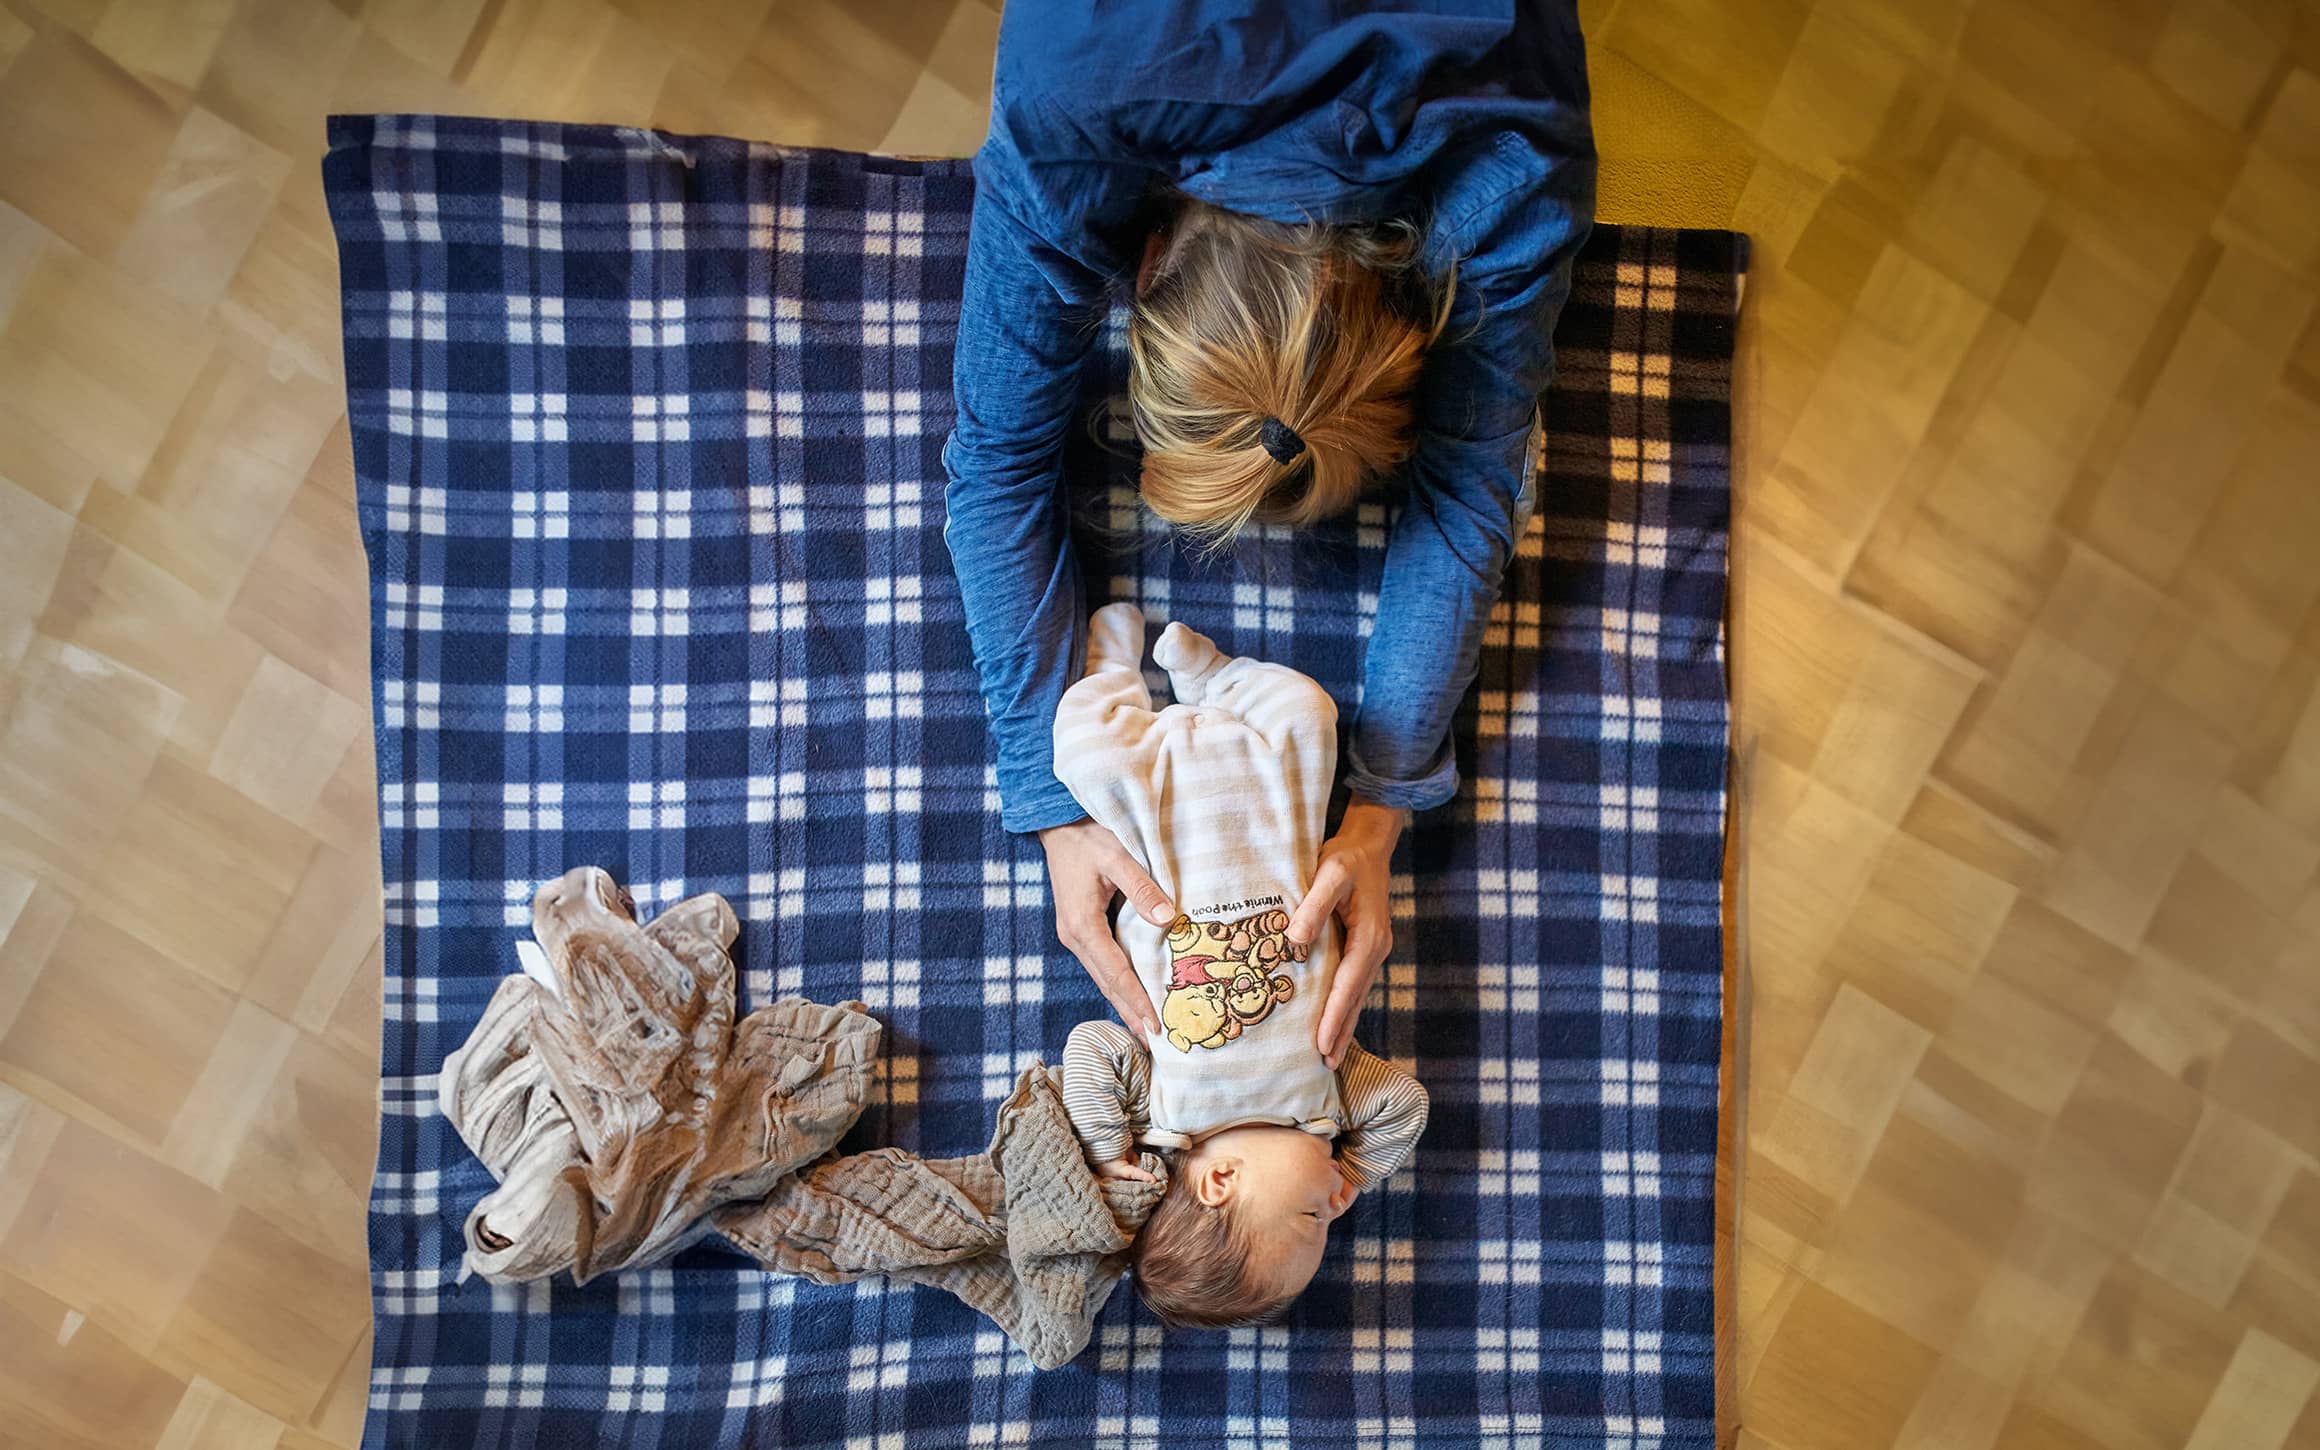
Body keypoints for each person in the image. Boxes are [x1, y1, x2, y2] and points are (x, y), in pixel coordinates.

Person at [942, 2, 1596, 1062]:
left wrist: (1381, 801)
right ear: (1147, 270)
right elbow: (993, 466)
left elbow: (1473, 491)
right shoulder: (1077, 77)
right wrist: (1046, 793)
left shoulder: (1525, 162)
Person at [1050, 605, 1429, 1326]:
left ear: (1221, 1180)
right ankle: (1213, 677)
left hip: (1155, 829)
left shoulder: (1165, 1114)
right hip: (1271, 799)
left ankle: (1112, 662)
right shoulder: (1325, 1101)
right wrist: (1355, 1168)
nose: (1335, 1208)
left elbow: (1092, 1048)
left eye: (1311, 1218)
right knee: (1309, 709)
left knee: (1083, 752)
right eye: (1332, 1218)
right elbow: (1405, 1106)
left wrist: (1106, 1150)